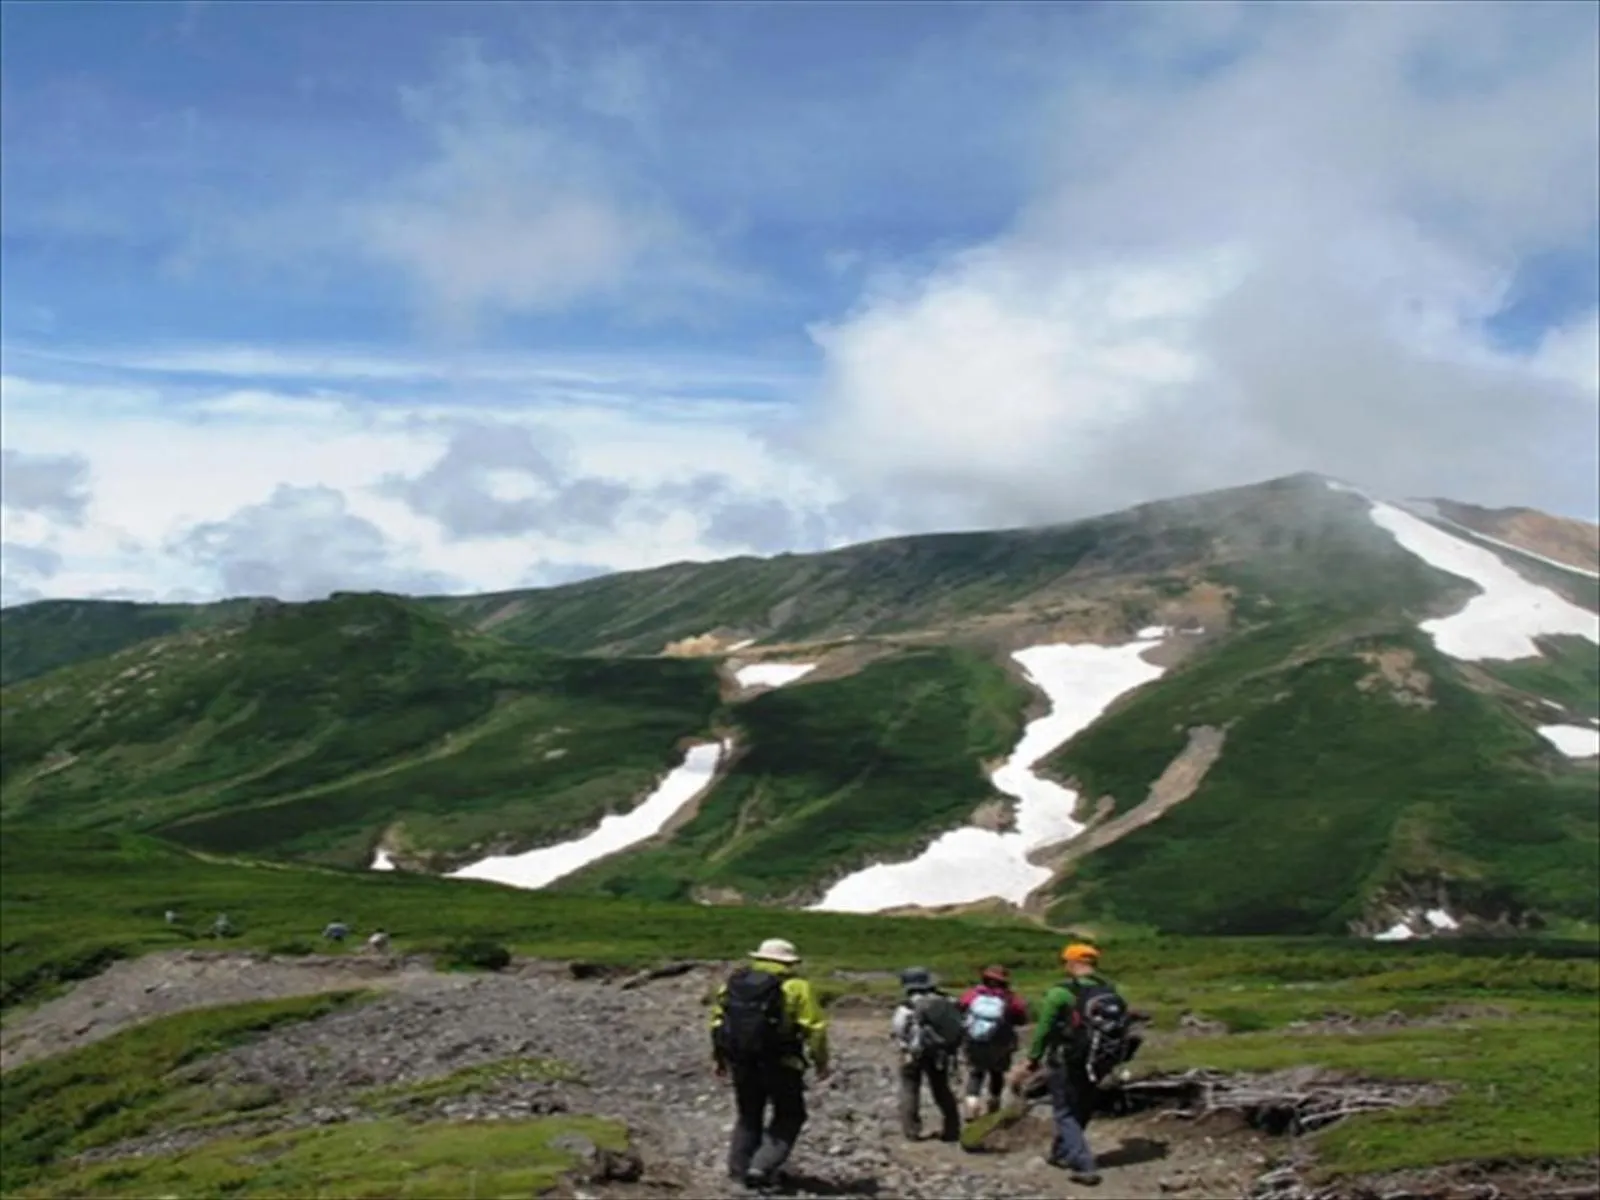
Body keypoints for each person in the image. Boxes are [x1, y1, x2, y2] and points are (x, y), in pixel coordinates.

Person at [709, 938, 830, 1190]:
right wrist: (821, 1062)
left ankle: (738, 1172)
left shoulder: (733, 984)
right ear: (788, 963)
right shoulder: (797, 986)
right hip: (782, 1061)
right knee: (790, 1114)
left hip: (741, 1061)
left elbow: (718, 1024)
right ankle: (761, 1167)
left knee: (748, 1115)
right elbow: (815, 1029)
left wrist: (720, 1059)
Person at [1012, 943, 1135, 1186]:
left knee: (1064, 1110)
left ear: (1070, 963)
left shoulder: (1060, 992)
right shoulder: (1111, 990)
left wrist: (1032, 1059)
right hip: (1101, 1059)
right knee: (1082, 1106)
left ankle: (1084, 1164)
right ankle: (1060, 1153)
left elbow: (1044, 1029)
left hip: (1068, 1059)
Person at [891, 967, 964, 1142]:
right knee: (941, 1088)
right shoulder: (947, 1000)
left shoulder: (907, 1005)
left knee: (909, 1088)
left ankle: (912, 1131)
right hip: (941, 1051)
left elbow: (899, 1028)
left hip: (912, 1052)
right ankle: (952, 1129)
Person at [957, 964, 1031, 1119]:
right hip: (1001, 1042)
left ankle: (972, 1105)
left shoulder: (973, 995)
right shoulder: (1010, 998)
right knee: (997, 1073)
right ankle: (993, 1105)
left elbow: (960, 1008)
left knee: (976, 1073)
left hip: (974, 1041)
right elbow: (1022, 1018)